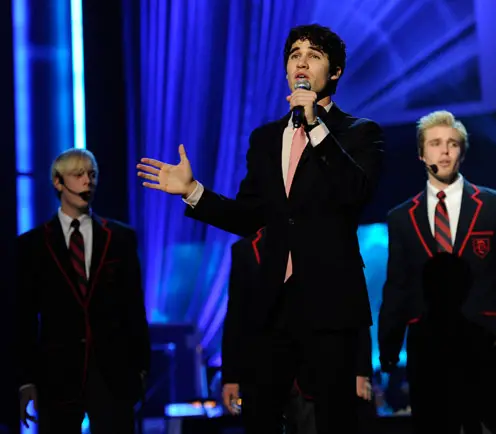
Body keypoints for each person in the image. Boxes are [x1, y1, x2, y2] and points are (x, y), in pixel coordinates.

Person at [137, 23, 384, 434]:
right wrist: (193, 191)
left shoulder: (361, 133)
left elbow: (355, 193)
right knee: (261, 418)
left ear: (335, 71)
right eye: (294, 55)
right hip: (271, 305)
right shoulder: (266, 139)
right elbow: (250, 217)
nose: (301, 62)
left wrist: (316, 126)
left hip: (329, 303)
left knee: (334, 421)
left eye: (314, 55)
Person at [378, 110, 496, 433]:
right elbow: (397, 284)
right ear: (421, 154)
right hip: (429, 350)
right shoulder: (401, 217)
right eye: (435, 143)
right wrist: (388, 346)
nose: (445, 151)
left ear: (462, 152)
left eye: (452, 143)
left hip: (487, 344)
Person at [17, 149, 150, 434]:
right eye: (78, 175)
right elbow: (24, 318)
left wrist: (141, 369)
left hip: (113, 374)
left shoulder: (120, 238)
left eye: (92, 175)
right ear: (58, 182)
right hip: (57, 376)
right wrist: (26, 380)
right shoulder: (33, 245)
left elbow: (134, 308)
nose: (87, 181)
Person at [221, 229, 373, 434]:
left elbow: (354, 307)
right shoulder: (245, 250)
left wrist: (361, 370)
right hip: (263, 374)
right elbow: (236, 317)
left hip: (317, 370)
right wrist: (230, 377)